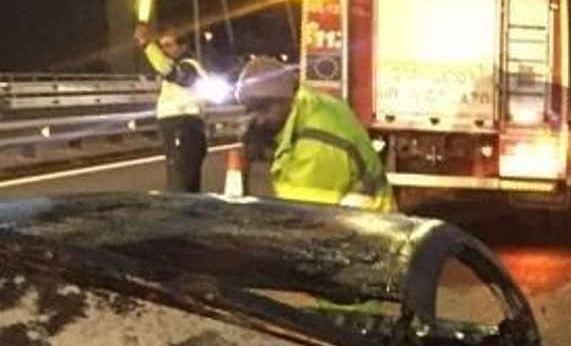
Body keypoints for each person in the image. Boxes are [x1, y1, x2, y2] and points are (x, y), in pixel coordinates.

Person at [233, 56, 396, 212]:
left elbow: (304, 219)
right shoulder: (314, 104)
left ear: (284, 99)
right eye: (251, 110)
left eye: (263, 108)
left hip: (363, 232)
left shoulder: (315, 144)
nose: (258, 119)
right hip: (363, 223)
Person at [134, 22, 208, 192]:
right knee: (185, 183)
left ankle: (181, 217)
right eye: (162, 46)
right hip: (179, 128)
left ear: (183, 46)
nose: (164, 50)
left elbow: (168, 70)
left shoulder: (188, 66)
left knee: (180, 185)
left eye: (169, 45)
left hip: (183, 127)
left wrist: (147, 45)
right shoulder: (180, 67)